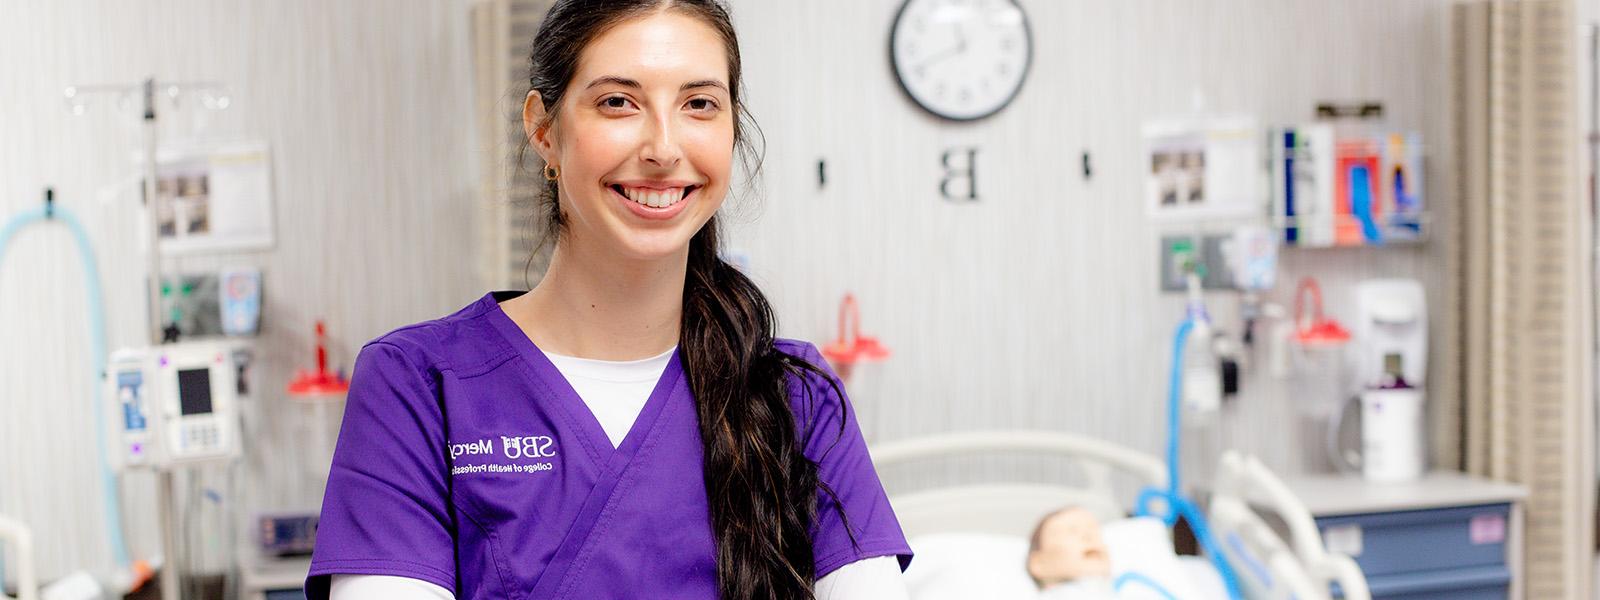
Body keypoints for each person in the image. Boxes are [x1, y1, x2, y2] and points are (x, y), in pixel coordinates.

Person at [304, 1, 912, 598]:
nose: (664, 148)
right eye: (618, 101)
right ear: (543, 128)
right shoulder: (418, 383)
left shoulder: (795, 394)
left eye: (699, 104)